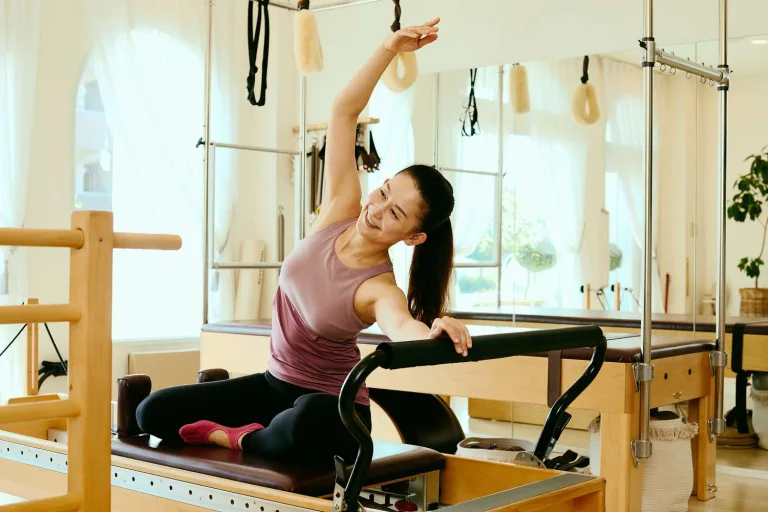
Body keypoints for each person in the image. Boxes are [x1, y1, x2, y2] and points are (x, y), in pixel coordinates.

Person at [135, 16, 472, 465]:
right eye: (384, 192)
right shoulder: (338, 207)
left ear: (413, 236)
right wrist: (389, 47)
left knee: (309, 414)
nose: (375, 210)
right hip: (274, 385)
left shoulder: (378, 288)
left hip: (335, 411)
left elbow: (402, 327)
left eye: (394, 213)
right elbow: (342, 112)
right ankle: (252, 432)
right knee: (152, 411)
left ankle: (238, 439)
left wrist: (434, 330)